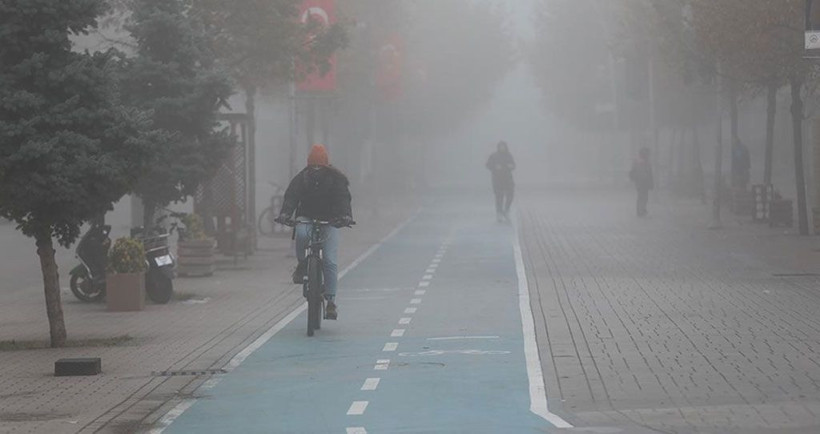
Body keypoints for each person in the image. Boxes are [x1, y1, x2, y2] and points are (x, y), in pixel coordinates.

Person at [274, 144, 353, 320]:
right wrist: (286, 213)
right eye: (313, 165)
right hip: (306, 217)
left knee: (330, 261)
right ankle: (303, 264)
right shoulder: (302, 178)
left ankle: (331, 301)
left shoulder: (336, 180)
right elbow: (291, 197)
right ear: (309, 164)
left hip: (330, 221)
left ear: (326, 165)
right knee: (301, 234)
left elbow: (343, 199)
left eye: (320, 166)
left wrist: (346, 216)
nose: (316, 169)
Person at [486, 141, 516, 222]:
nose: (502, 148)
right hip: (497, 179)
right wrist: (495, 167)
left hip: (508, 179)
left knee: (510, 195)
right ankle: (499, 213)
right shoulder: (494, 156)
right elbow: (488, 165)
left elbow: (513, 165)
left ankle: (506, 210)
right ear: (498, 147)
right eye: (500, 146)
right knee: (499, 197)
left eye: (503, 146)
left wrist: (511, 166)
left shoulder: (509, 155)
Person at [629, 147, 654, 217]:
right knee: (642, 197)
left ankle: (641, 210)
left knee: (643, 197)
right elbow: (649, 173)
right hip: (641, 182)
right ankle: (641, 211)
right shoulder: (640, 162)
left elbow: (649, 173)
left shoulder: (644, 162)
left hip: (642, 182)